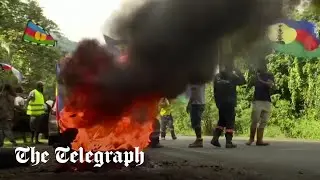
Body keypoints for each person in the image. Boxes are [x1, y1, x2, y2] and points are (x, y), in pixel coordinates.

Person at [211, 63, 246, 148]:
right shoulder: (232, 76)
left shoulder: (217, 77)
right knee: (230, 121)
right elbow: (243, 81)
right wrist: (238, 70)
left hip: (220, 102)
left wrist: (217, 102)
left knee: (222, 121)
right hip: (229, 102)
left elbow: (214, 90)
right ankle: (228, 142)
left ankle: (215, 138)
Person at [246, 63, 275, 146]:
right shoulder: (254, 76)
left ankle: (259, 140)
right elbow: (248, 84)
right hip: (257, 100)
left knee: (264, 121)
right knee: (255, 120)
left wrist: (260, 79)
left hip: (267, 101)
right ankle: (251, 139)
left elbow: (270, 84)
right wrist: (256, 77)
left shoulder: (269, 75)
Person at [187, 84, 206, 148]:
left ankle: (199, 140)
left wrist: (189, 103)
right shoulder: (202, 80)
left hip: (196, 103)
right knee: (197, 121)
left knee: (196, 122)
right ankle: (198, 140)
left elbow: (193, 94)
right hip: (202, 102)